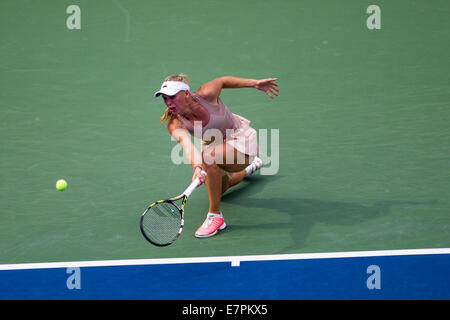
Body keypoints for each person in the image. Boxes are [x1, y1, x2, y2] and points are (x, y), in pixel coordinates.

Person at [154, 74, 279, 238]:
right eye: (165, 98)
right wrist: (197, 167)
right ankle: (251, 168)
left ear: (185, 93)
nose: (168, 103)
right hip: (214, 149)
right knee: (219, 191)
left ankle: (215, 216)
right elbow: (188, 147)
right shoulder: (175, 123)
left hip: (240, 140)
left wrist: (255, 83)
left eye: (172, 97)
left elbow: (223, 81)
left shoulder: (206, 94)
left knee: (209, 158)